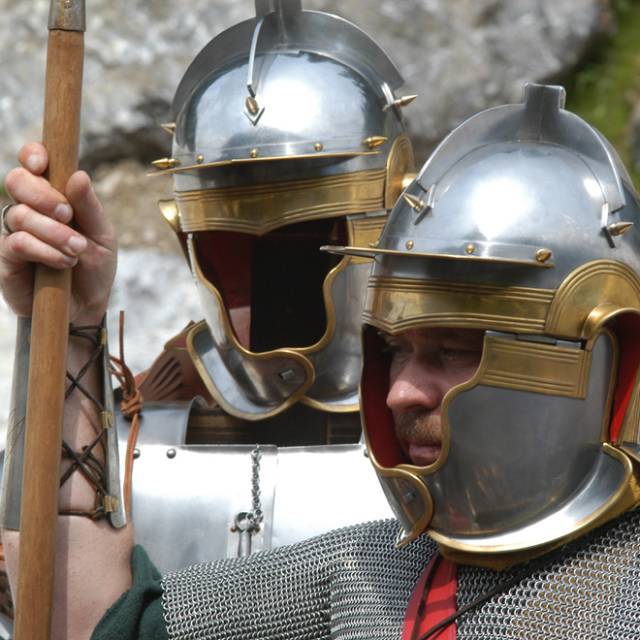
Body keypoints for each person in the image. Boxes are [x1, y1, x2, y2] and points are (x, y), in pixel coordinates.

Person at [5, 81, 640, 639]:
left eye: (452, 352)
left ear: (598, 365)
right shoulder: (368, 573)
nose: (398, 393)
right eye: (395, 351)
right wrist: (69, 319)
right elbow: (93, 625)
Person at [0, 0, 420, 583]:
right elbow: (35, 598)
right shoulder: (132, 439)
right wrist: (62, 324)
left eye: (308, 238)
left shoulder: (441, 435)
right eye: (230, 241)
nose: (272, 276)